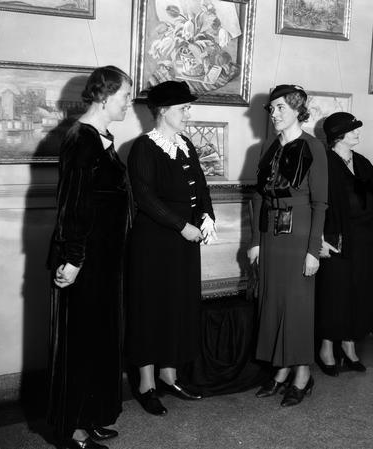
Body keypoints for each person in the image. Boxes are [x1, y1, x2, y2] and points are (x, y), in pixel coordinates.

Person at [46, 65, 133, 449]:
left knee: (99, 340)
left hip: (104, 262)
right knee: (81, 344)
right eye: (126, 96)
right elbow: (73, 206)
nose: (129, 103)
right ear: (104, 95)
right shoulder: (80, 138)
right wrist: (74, 259)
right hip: (85, 262)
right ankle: (74, 429)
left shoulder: (101, 137)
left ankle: (92, 415)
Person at [126, 80, 216, 416]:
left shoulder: (186, 143)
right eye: (184, 108)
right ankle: (147, 383)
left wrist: (207, 217)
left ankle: (169, 374)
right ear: (163, 111)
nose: (188, 114)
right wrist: (183, 226)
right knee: (150, 309)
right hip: (154, 243)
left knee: (178, 305)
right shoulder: (143, 148)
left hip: (185, 241)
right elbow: (145, 198)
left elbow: (200, 186)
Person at [249, 84, 328, 407]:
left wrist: (313, 250)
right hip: (271, 236)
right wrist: (255, 241)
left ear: (298, 110)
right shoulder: (269, 145)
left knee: (297, 308)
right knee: (273, 304)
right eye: (272, 108)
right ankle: (280, 370)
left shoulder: (314, 147)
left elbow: (321, 203)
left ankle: (302, 375)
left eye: (281, 107)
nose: (274, 114)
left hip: (299, 238)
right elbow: (257, 195)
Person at [315, 112, 373, 376]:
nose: (358, 133)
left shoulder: (364, 163)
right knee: (335, 295)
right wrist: (318, 239)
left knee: (359, 293)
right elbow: (315, 204)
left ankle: (350, 345)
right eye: (353, 129)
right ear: (338, 135)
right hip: (335, 239)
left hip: (363, 240)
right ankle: (327, 348)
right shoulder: (323, 163)